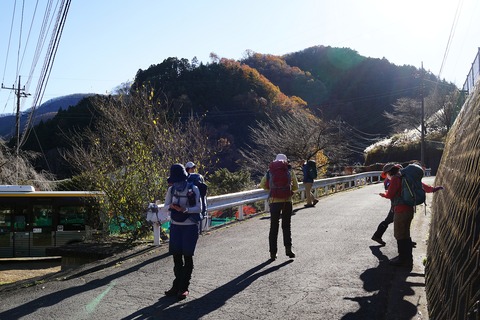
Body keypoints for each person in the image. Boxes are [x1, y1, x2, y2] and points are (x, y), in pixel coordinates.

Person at [379, 163, 443, 267]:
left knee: (399, 235)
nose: (387, 176)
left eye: (386, 174)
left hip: (400, 210)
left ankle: (402, 258)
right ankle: (408, 258)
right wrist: (434, 189)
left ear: (389, 172)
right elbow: (423, 187)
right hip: (409, 209)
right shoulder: (407, 178)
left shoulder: (395, 179)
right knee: (406, 234)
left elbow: (390, 194)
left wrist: (384, 194)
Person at [163, 163, 202, 300]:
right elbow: (165, 205)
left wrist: (185, 210)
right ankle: (177, 285)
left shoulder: (194, 189)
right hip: (175, 226)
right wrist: (172, 206)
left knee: (187, 257)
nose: (177, 183)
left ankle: (184, 287)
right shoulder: (171, 190)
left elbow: (199, 208)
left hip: (190, 226)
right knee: (176, 257)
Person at [260, 154, 299, 260]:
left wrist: (273, 190)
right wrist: (289, 192)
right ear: (286, 161)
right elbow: (296, 187)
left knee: (274, 227)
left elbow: (263, 184)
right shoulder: (289, 171)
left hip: (274, 201)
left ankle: (273, 253)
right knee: (286, 226)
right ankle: (288, 249)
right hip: (287, 201)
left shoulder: (270, 171)